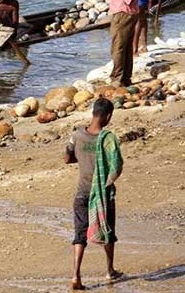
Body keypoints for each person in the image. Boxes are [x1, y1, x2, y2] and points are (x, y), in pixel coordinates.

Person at [64, 98, 124, 290]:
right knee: (107, 231)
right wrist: (107, 181)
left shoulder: (77, 135)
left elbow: (67, 157)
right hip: (102, 195)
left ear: (93, 113)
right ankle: (109, 270)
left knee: (79, 235)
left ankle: (75, 275)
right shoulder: (108, 139)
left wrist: (82, 159)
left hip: (82, 193)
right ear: (107, 116)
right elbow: (117, 166)